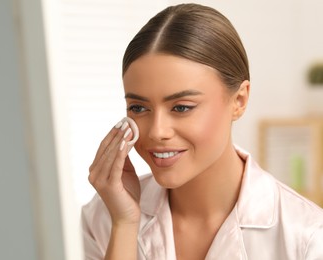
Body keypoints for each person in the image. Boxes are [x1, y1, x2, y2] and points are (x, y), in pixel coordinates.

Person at [81, 3, 323, 260]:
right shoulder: (103, 218)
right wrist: (125, 224)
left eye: (182, 107)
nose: (157, 131)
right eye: (138, 107)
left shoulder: (306, 237)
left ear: (239, 101)